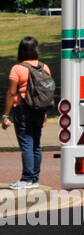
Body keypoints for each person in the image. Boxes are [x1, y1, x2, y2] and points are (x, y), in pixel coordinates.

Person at [3, 37, 51, 189]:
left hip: (23, 110)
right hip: (40, 110)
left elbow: (11, 93)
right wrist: (45, 112)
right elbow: (47, 92)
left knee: (26, 144)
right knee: (36, 144)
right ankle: (34, 179)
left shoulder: (17, 69)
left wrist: (5, 115)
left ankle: (26, 179)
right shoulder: (45, 67)